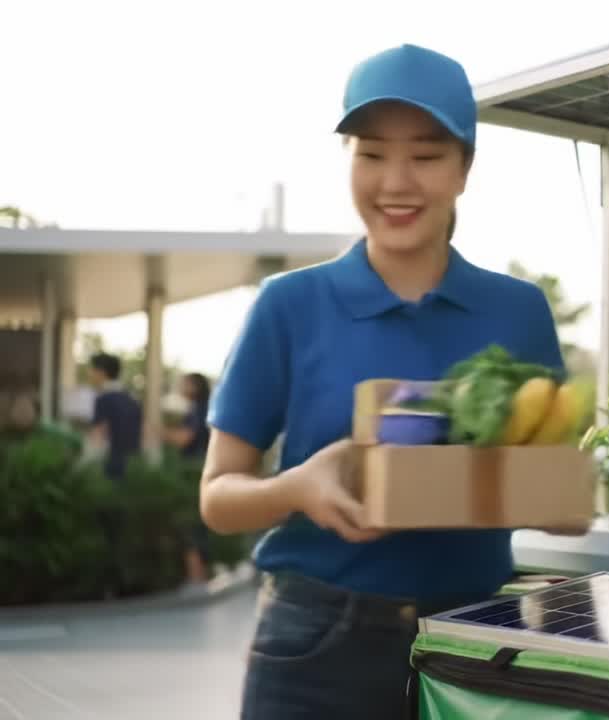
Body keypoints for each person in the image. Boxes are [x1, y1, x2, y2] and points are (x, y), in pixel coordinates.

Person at [199, 43, 564, 719]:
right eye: (371, 153)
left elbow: (552, 493)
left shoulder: (518, 311)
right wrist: (297, 487)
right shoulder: (289, 304)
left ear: (465, 169)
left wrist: (554, 489)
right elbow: (219, 498)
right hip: (317, 643)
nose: (396, 182)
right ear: (348, 161)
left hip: (478, 640)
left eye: (425, 155)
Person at [163, 372, 213, 584]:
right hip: (201, 469)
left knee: (190, 523)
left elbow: (186, 438)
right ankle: (201, 573)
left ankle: (196, 576)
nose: (181, 386)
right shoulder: (208, 409)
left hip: (194, 471)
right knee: (199, 523)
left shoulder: (197, 411)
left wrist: (159, 432)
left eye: (185, 382)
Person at [87, 352, 143, 481]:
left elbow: (99, 433)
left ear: (101, 372)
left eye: (92, 369)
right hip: (132, 463)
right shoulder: (131, 398)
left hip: (110, 463)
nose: (90, 374)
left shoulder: (104, 398)